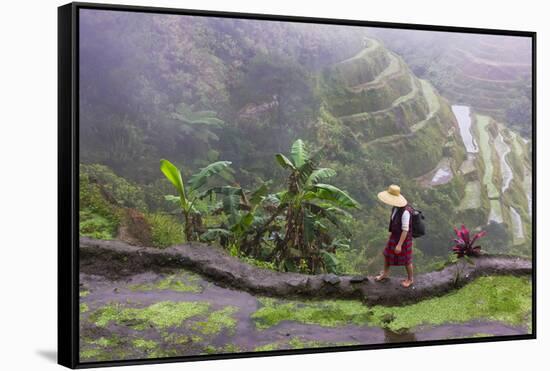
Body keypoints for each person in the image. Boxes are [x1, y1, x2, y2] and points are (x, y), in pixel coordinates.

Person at [374, 184, 414, 288]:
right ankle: (385, 273)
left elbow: (405, 230)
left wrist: (399, 245)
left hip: (403, 239)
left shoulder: (405, 212)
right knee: (387, 254)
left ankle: (410, 279)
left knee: (406, 260)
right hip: (395, 236)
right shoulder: (396, 208)